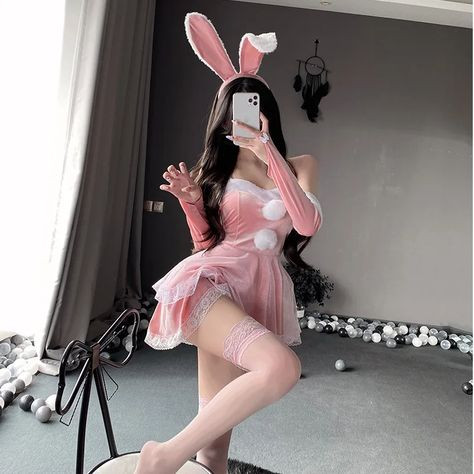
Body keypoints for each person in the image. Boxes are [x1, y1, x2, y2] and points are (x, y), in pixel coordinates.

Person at [134, 12, 323, 474]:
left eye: (251, 106)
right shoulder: (213, 169)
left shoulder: (300, 164)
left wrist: (267, 152)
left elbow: (307, 223)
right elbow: (205, 243)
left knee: (215, 451)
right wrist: (191, 203)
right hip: (211, 285)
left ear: (266, 111)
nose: (243, 116)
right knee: (280, 368)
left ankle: (172, 458)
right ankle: (162, 456)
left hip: (256, 293)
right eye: (234, 108)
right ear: (223, 117)